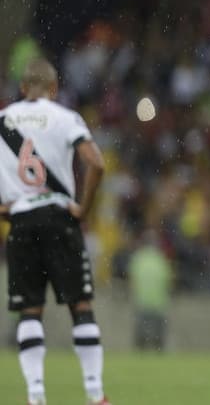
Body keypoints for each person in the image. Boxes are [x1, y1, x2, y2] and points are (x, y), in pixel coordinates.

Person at [0, 58, 109, 405]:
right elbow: (97, 162)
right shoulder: (65, 117)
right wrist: (82, 207)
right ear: (54, 88)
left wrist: (7, 207)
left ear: (21, 89)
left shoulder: (2, 121)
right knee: (81, 306)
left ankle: (36, 396)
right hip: (59, 218)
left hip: (21, 222)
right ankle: (94, 394)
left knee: (30, 310)